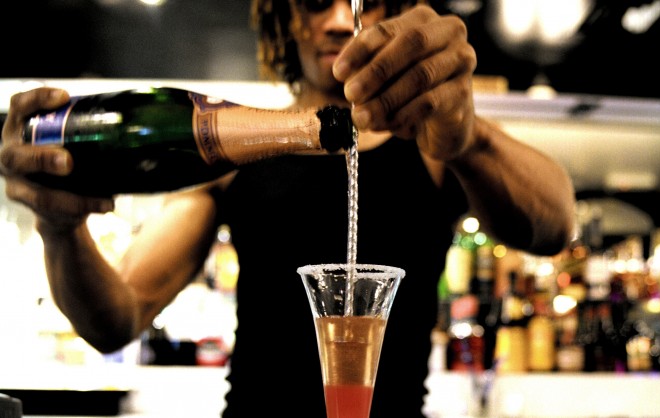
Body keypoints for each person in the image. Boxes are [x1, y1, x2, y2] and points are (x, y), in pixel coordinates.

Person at [0, 0, 576, 416]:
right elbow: (115, 317)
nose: (333, 21)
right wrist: (60, 228)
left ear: (398, 17)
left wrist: (469, 138)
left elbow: (554, 225)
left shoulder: (437, 147)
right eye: (311, 3)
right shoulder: (235, 146)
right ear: (280, 17)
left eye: (362, 3)